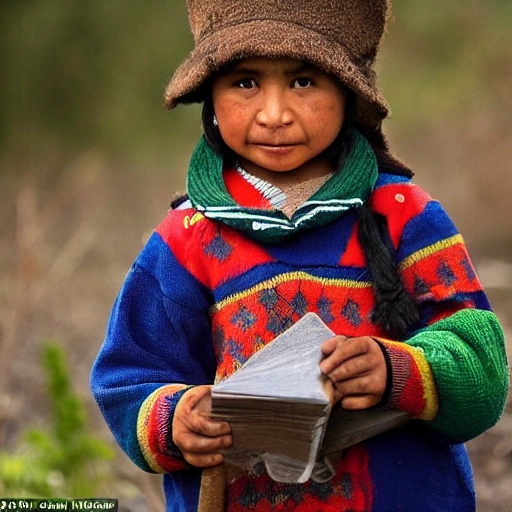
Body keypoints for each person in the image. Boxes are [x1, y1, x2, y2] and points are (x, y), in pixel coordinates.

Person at [90, 1, 509, 511]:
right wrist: (176, 420)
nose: (275, 114)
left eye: (304, 82)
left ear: (349, 94)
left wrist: (397, 369)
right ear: (212, 98)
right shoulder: (184, 242)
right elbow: (128, 378)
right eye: (245, 83)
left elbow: (484, 374)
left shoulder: (404, 216)